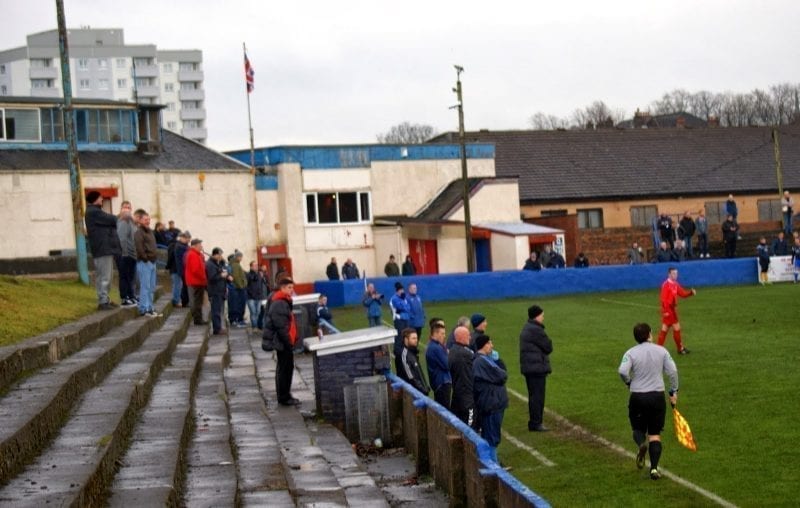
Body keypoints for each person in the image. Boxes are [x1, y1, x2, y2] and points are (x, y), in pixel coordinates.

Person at [618, 322, 679, 481]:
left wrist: (628, 382)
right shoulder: (661, 350)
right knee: (655, 434)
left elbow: (622, 371)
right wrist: (673, 391)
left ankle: (640, 445)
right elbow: (672, 371)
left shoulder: (630, 353)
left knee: (638, 429)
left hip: (638, 396)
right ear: (650, 334)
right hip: (657, 397)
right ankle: (653, 469)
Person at [263, 277, 301, 406]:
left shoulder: (283, 301)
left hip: (284, 342)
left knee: (285, 368)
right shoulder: (280, 303)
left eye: (292, 287)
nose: (292, 290)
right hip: (283, 342)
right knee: (285, 369)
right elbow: (281, 326)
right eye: (289, 288)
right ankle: (284, 397)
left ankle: (285, 395)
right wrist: (288, 341)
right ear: (282, 288)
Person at [472, 333, 508, 462]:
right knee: (491, 438)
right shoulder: (481, 361)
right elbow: (502, 375)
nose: (492, 346)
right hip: (491, 404)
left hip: (493, 403)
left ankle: (493, 463)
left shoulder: (484, 359)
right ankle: (493, 467)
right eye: (490, 343)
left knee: (492, 436)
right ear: (484, 345)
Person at [85, 191, 121, 310]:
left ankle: (105, 299)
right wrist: (122, 215)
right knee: (105, 276)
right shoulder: (93, 212)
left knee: (106, 275)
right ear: (95, 199)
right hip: (102, 248)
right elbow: (112, 220)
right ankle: (103, 301)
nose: (102, 200)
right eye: (100, 198)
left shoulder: (94, 212)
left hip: (104, 248)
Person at [519, 305, 552, 432]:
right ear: (537, 315)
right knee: (537, 397)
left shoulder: (528, 328)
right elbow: (548, 347)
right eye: (542, 315)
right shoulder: (536, 330)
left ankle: (534, 422)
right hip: (536, 367)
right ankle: (536, 423)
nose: (543, 317)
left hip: (530, 367)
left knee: (534, 396)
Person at [657, 267, 695, 355]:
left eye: (676, 273)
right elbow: (663, 299)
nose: (675, 275)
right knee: (676, 328)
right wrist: (666, 312)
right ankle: (680, 349)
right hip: (669, 310)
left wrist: (690, 293)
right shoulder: (666, 285)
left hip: (672, 309)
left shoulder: (675, 284)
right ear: (669, 274)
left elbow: (682, 293)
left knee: (664, 329)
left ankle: (658, 350)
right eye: (673, 273)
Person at [133, 210, 160, 317]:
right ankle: (143, 308)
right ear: (140, 221)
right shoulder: (138, 232)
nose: (148, 221)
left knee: (152, 287)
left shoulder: (150, 231)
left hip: (152, 262)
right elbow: (139, 247)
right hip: (145, 262)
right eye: (145, 219)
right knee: (145, 286)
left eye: (149, 219)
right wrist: (145, 258)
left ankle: (150, 307)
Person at [448, 326, 476, 428]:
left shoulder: (452, 350)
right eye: (468, 335)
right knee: (470, 427)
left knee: (456, 424)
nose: (470, 337)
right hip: (466, 396)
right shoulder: (465, 354)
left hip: (457, 393)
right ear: (460, 337)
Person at [115, 200, 137, 307]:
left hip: (132, 254)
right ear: (121, 208)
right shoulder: (122, 221)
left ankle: (131, 295)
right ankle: (125, 297)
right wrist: (124, 252)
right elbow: (121, 238)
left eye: (129, 207)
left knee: (131, 276)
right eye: (125, 207)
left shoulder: (131, 222)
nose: (127, 209)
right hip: (124, 254)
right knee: (124, 276)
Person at [425, 322, 451, 409]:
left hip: (438, 384)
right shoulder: (436, 348)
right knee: (444, 410)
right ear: (435, 333)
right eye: (442, 333)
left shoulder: (433, 346)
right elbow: (447, 365)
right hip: (442, 383)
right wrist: (448, 355)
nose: (444, 336)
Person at [397, 328, 430, 395]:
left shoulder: (412, 352)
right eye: (413, 338)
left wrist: (425, 385)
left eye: (416, 338)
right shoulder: (404, 355)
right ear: (406, 339)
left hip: (419, 391)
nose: (416, 340)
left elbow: (419, 372)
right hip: (412, 393)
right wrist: (422, 389)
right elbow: (411, 377)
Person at [206, 247, 231, 335]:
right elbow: (212, 277)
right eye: (219, 255)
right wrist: (222, 275)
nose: (221, 256)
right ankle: (217, 329)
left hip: (220, 290)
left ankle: (219, 327)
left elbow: (221, 273)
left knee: (219, 310)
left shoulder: (217, 263)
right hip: (215, 291)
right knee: (216, 311)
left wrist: (227, 277)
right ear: (215, 254)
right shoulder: (210, 264)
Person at [184, 238, 207, 325]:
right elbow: (196, 270)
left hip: (197, 281)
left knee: (198, 302)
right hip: (196, 281)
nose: (201, 246)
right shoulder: (193, 255)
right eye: (200, 245)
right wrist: (203, 278)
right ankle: (198, 320)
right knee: (197, 302)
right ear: (194, 246)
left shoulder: (197, 254)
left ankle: (199, 319)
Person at [390, 283, 411, 371]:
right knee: (399, 335)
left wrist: (404, 306)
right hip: (399, 319)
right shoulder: (394, 298)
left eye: (403, 290)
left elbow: (408, 308)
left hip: (406, 318)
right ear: (397, 291)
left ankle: (405, 350)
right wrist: (404, 306)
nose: (402, 291)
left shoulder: (404, 297)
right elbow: (400, 306)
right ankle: (397, 351)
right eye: (401, 290)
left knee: (406, 335)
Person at [167, 231, 189, 307]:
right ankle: (176, 301)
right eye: (186, 238)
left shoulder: (181, 246)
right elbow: (178, 260)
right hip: (176, 269)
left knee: (178, 285)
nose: (187, 240)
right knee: (177, 285)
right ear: (181, 238)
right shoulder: (179, 246)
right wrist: (181, 271)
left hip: (177, 269)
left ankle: (177, 300)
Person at [246, 261, 267, 328]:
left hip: (259, 296)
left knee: (258, 312)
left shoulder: (260, 274)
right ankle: (254, 327)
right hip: (250, 297)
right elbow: (249, 281)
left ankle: (258, 325)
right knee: (253, 312)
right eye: (255, 265)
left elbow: (263, 284)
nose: (256, 267)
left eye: (257, 265)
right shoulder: (248, 274)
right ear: (251, 267)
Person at [229, 250, 247, 327]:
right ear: (238, 257)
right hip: (238, 288)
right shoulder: (236, 265)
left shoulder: (235, 264)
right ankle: (238, 320)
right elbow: (236, 277)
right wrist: (241, 286)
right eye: (241, 257)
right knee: (238, 304)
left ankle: (238, 319)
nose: (241, 258)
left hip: (237, 288)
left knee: (237, 304)